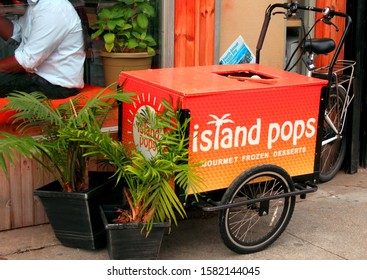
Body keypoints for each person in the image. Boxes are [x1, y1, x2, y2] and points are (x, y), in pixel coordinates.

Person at [0, 0, 85, 99]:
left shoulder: (53, 7)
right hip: (37, 79)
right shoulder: (38, 5)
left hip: (55, 86)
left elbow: (27, 60)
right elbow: (16, 33)